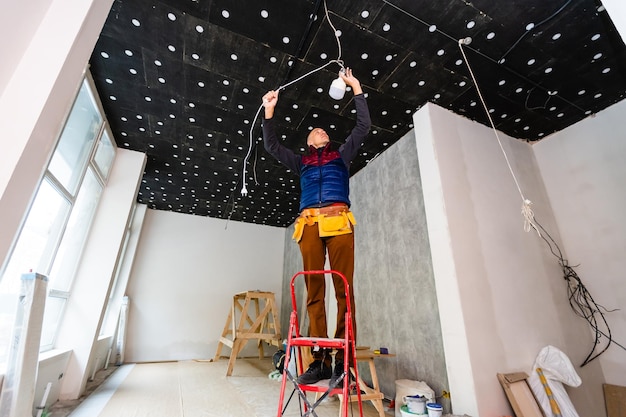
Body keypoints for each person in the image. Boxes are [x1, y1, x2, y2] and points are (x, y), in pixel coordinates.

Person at [261, 68, 371, 387]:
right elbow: (272, 146)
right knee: (313, 292)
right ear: (309, 141)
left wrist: (356, 86)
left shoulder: (341, 156)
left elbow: (363, 126)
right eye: (316, 130)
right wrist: (269, 110)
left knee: (343, 290)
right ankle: (321, 359)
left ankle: (343, 362)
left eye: (324, 130)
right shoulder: (301, 162)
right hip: (308, 223)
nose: (321, 131)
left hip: (338, 220)